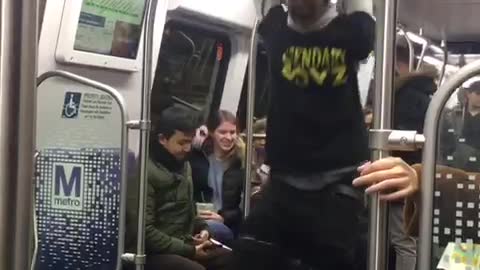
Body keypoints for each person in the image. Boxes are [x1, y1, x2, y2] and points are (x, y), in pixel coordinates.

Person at [232, 2, 418, 270]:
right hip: (285, 178)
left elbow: (364, 21)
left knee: (333, 255)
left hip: (338, 178)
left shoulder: (351, 32)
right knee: (249, 249)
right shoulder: (275, 27)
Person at [125, 106, 230, 270]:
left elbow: (188, 211)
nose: (188, 149)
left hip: (180, 243)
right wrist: (189, 251)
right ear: (162, 139)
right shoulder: (143, 171)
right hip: (149, 252)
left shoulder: (184, 166)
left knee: (234, 261)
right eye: (182, 143)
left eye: (190, 141)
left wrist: (203, 230)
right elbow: (144, 231)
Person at [388, 44, 437, 270]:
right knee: (408, 239)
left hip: (400, 174)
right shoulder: (426, 95)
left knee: (403, 241)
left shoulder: (406, 96)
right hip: (417, 171)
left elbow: (400, 139)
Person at [190, 110, 244, 243]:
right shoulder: (200, 158)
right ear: (212, 133)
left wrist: (223, 218)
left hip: (229, 224)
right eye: (223, 132)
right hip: (200, 219)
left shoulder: (241, 162)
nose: (229, 137)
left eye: (232, 132)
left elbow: (243, 205)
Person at [440, 78, 480, 172]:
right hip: (455, 165)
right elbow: (444, 141)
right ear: (468, 94)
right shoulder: (453, 115)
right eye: (478, 94)